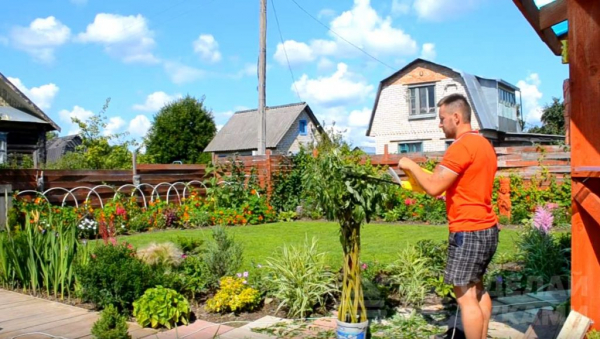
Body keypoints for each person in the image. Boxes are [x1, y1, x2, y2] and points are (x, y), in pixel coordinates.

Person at [398, 93, 499, 339]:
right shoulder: (483, 144)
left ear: (456, 117)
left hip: (468, 230)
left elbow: (434, 188)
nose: (439, 124)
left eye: (442, 118)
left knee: (465, 298)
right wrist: (420, 179)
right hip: (487, 228)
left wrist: (410, 165)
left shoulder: (461, 147)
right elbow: (442, 182)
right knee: (478, 290)